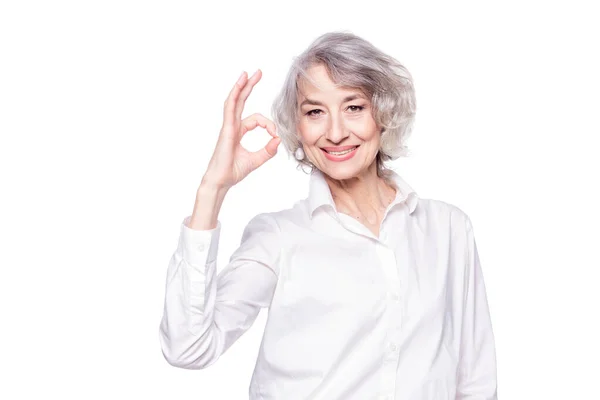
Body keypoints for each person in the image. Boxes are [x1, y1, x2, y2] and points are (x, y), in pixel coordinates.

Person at [158, 31, 498, 399]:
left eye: (354, 107)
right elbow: (188, 348)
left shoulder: (448, 229)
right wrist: (213, 188)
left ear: (383, 114)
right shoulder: (278, 237)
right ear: (298, 127)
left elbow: (475, 379)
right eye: (315, 112)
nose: (335, 133)